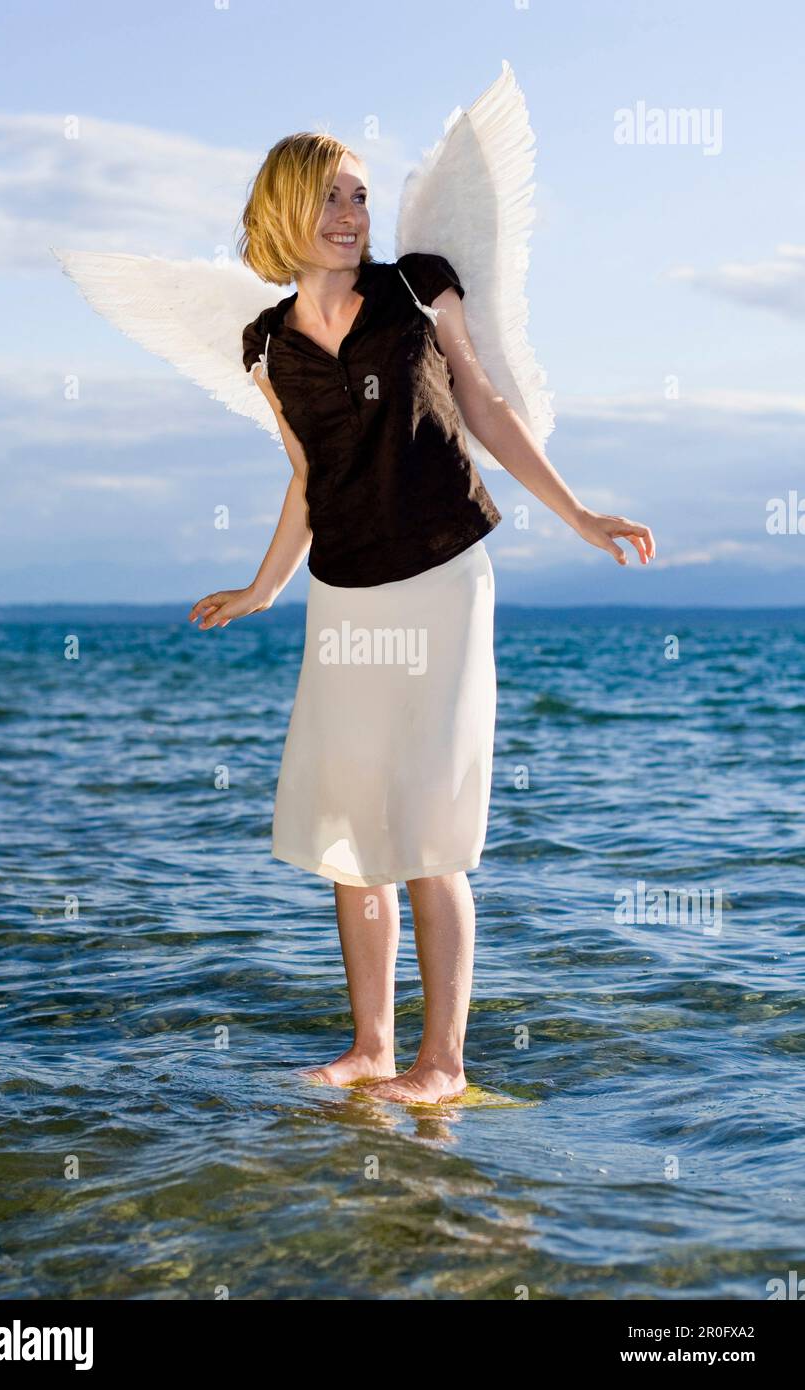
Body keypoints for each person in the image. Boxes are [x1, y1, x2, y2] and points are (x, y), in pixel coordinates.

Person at [189, 134, 655, 1105]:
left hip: (441, 576)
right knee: (351, 825)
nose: (350, 215)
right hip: (345, 592)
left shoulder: (416, 289)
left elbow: (480, 404)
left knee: (426, 821)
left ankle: (441, 1062)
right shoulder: (267, 348)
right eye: (327, 198)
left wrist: (577, 513)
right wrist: (263, 586)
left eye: (358, 196)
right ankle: (368, 1046)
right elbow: (307, 478)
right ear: (282, 212)